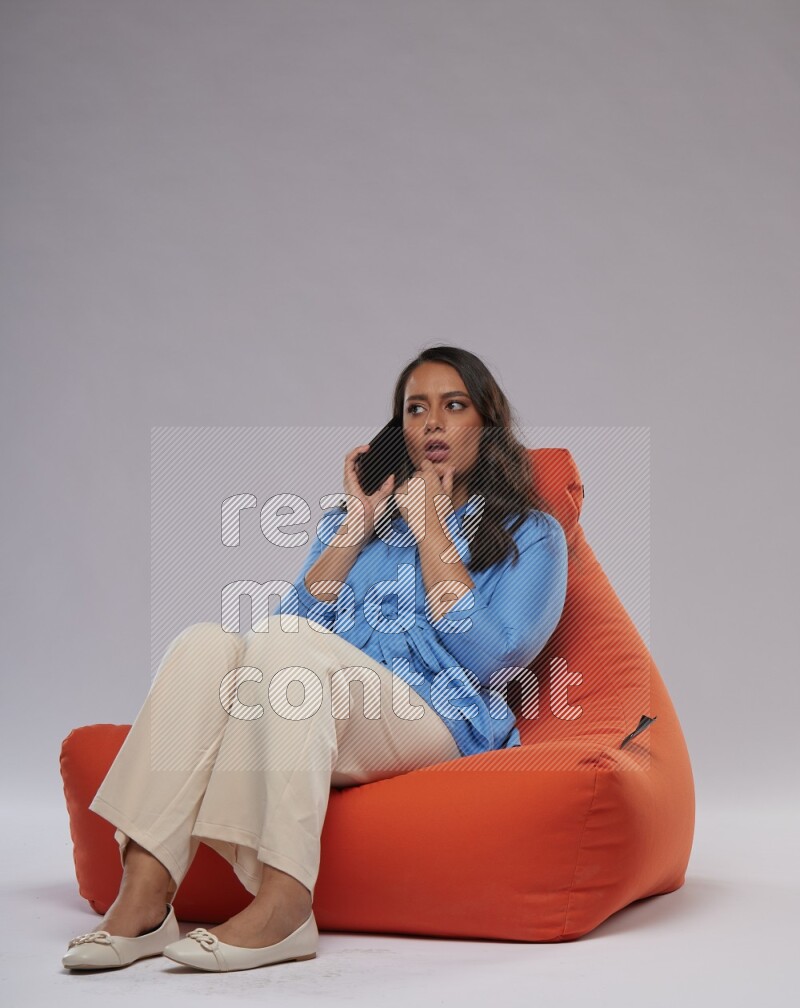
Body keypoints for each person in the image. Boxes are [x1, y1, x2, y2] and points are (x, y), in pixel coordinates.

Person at [62, 345, 569, 974]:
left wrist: (435, 532)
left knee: (282, 652)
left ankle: (285, 901)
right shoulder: (359, 524)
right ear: (399, 431)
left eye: (453, 406)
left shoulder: (532, 532)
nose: (432, 423)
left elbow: (498, 654)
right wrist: (357, 525)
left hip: (439, 713)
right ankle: (144, 894)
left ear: (484, 424)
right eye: (416, 410)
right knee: (205, 645)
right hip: (323, 697)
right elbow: (292, 624)